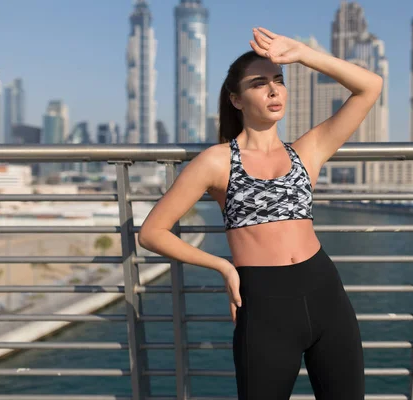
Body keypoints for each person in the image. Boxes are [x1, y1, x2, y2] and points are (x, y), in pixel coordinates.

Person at [138, 26, 383, 400]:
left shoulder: (307, 150)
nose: (273, 90)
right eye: (259, 83)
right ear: (236, 99)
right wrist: (224, 266)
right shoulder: (217, 161)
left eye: (279, 80)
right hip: (264, 304)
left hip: (325, 293)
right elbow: (153, 232)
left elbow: (370, 87)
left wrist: (302, 52)